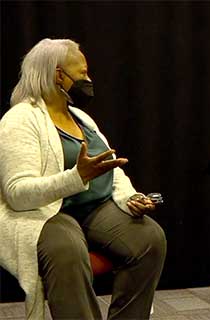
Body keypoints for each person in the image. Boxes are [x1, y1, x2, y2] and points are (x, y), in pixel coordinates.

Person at [0, 38, 167, 319]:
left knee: (150, 238)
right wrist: (76, 177)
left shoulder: (80, 117)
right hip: (49, 213)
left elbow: (111, 169)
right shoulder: (20, 119)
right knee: (67, 249)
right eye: (81, 74)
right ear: (57, 75)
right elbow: (17, 193)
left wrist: (131, 197)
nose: (88, 80)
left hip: (96, 209)